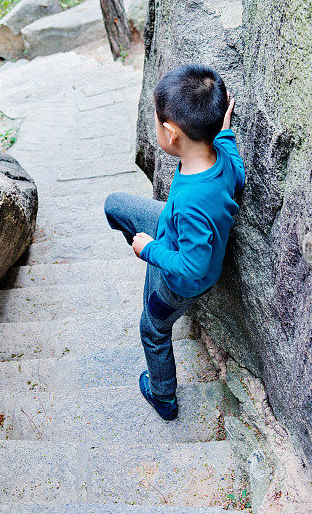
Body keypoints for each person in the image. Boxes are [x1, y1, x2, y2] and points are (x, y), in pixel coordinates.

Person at [103, 64, 245, 421]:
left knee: (152, 330)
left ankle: (163, 397)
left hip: (176, 282)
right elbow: (238, 174)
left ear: (171, 133)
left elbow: (194, 265)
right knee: (115, 206)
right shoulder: (222, 156)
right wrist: (224, 130)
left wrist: (150, 251)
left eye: (155, 122)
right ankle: (144, 249)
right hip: (169, 231)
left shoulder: (192, 203)